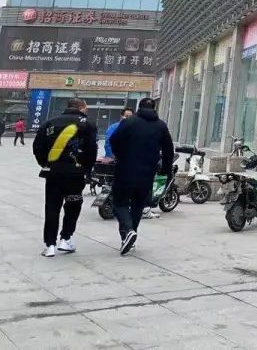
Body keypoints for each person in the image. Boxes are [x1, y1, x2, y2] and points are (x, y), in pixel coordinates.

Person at [32, 98, 99, 257]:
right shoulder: (88, 125)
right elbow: (92, 150)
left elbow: (37, 147)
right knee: (73, 205)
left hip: (54, 173)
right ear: (81, 107)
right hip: (76, 174)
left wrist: (46, 164)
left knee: (52, 207)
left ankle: (49, 245)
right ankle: (66, 238)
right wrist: (87, 170)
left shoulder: (49, 123)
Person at [108, 97, 173, 256]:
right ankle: (129, 237)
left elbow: (114, 140)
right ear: (155, 107)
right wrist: (165, 170)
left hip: (125, 170)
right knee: (138, 205)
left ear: (139, 107)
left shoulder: (129, 122)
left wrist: (120, 156)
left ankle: (128, 230)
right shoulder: (161, 126)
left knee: (119, 204)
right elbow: (168, 150)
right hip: (147, 172)